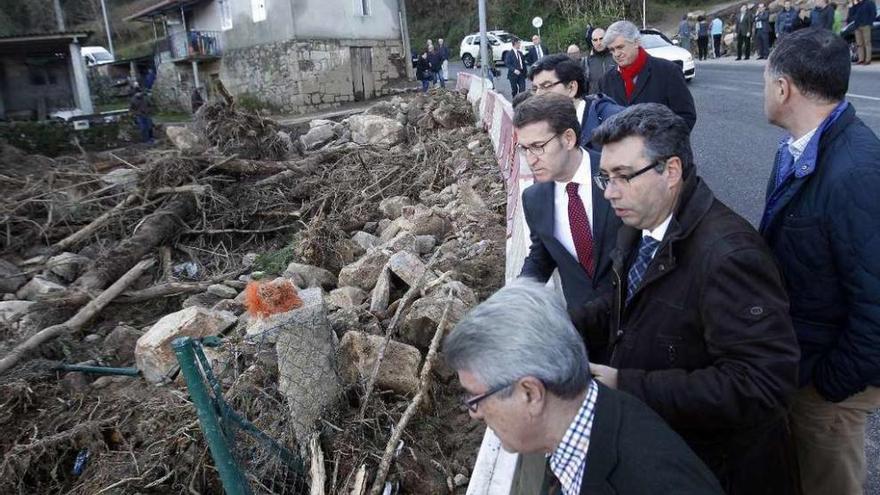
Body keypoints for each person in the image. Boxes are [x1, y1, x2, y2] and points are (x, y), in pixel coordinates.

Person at [570, 103, 801, 495]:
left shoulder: (730, 256)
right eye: (604, 177)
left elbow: (762, 384)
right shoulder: (639, 225)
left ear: (671, 171)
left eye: (623, 176)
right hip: (669, 450)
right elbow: (626, 305)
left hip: (722, 472)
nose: (609, 192)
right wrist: (559, 326)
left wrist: (626, 384)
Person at [444, 279, 725, 495]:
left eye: (477, 398)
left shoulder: (652, 481)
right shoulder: (601, 421)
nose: (474, 413)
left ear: (530, 393)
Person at [760, 28, 880, 495]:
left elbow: (876, 305)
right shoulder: (802, 148)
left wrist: (828, 386)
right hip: (805, 363)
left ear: (783, 88)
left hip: (829, 385)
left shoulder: (856, 172)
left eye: (766, 82)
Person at [515, 93, 621, 320]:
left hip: (637, 318)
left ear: (569, 139)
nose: (530, 159)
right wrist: (515, 297)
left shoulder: (618, 173)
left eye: (538, 146)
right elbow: (541, 257)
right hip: (582, 325)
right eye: (524, 149)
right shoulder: (533, 199)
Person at [598, 21, 697, 131]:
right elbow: (604, 120)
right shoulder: (606, 80)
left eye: (620, 47)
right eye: (612, 50)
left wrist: (661, 143)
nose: (616, 54)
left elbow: (686, 116)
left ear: (636, 42)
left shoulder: (669, 72)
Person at [529, 55, 624, 151]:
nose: (538, 95)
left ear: (571, 88)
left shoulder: (614, 121)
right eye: (534, 89)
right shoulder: (542, 126)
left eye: (546, 86)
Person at [586, 27, 615, 95]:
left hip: (616, 102)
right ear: (592, 42)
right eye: (595, 40)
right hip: (596, 103)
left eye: (601, 39)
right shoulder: (587, 62)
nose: (598, 43)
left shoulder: (616, 57)